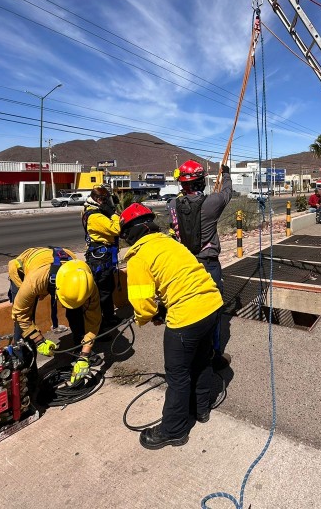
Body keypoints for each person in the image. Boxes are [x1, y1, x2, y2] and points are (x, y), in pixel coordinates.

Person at [120, 203, 223, 450]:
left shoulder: (138, 257)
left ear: (129, 234)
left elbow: (143, 304)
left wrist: (145, 317)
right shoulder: (170, 243)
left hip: (187, 318)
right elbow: (179, 278)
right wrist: (163, 308)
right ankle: (201, 409)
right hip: (212, 304)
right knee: (202, 361)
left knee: (178, 376)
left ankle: (174, 430)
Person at [168, 160, 232, 361]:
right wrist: (226, 174)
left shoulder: (172, 204)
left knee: (191, 307)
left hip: (185, 264)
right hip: (208, 263)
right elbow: (227, 192)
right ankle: (214, 354)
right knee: (213, 309)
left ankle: (192, 350)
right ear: (201, 181)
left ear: (182, 184)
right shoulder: (211, 203)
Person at [7, 247, 101, 385]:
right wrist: (39, 340)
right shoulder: (35, 281)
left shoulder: (87, 284)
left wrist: (84, 355)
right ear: (58, 289)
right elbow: (20, 313)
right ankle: (23, 373)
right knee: (22, 331)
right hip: (23, 269)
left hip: (60, 263)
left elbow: (94, 320)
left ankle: (79, 349)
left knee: (76, 313)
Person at [81, 185, 122, 329]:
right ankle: (101, 324)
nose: (108, 203)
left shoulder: (93, 211)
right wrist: (113, 214)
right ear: (98, 199)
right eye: (105, 200)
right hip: (100, 258)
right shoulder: (95, 216)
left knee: (107, 288)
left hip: (103, 256)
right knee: (102, 292)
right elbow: (117, 229)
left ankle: (109, 317)